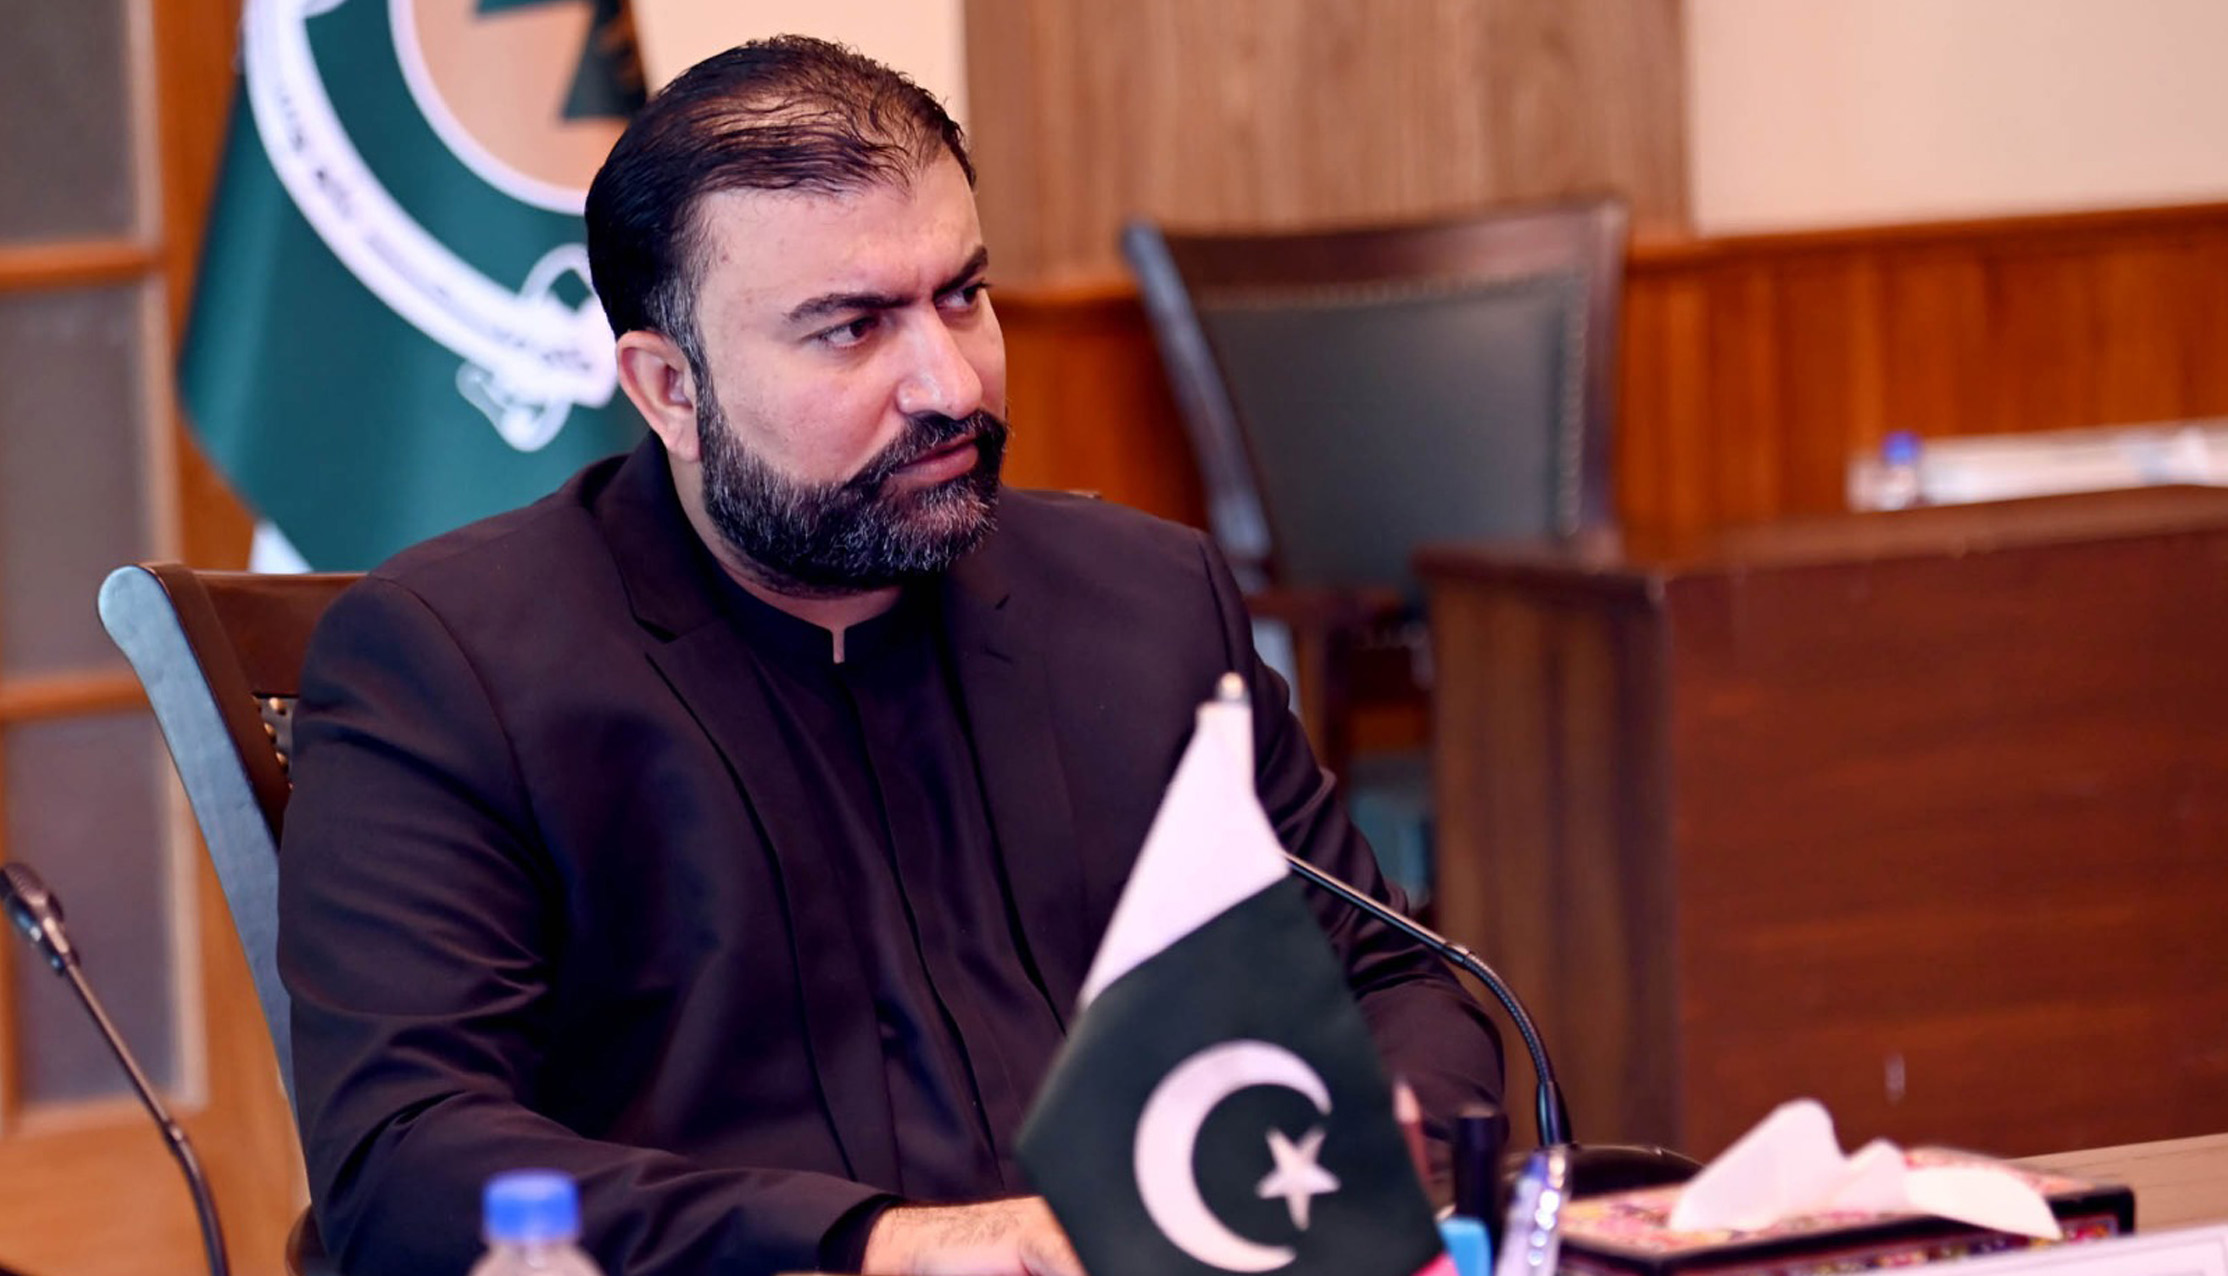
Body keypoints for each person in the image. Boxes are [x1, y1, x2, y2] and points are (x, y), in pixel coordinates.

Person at [277, 35, 1502, 1276]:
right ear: (668, 390)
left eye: (961, 297)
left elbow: (1393, 981)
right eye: (853, 328)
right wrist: (887, 1245)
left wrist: (1349, 1149)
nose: (950, 385)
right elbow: (405, 1157)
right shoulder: (452, 666)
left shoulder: (1146, 604)